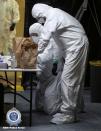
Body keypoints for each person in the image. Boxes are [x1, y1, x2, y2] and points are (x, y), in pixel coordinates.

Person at [31, 3, 89, 124]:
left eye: (37, 17)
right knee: (73, 78)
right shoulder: (56, 15)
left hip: (76, 46)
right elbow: (59, 40)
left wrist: (35, 54)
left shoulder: (53, 15)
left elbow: (45, 38)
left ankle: (68, 114)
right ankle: (74, 109)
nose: (39, 21)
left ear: (40, 12)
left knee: (68, 79)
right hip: (72, 47)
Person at [29, 22, 63, 115]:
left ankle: (63, 105)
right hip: (43, 78)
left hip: (52, 77)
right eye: (31, 35)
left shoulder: (51, 40)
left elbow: (48, 56)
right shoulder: (35, 43)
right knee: (39, 106)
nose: (33, 37)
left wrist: (34, 59)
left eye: (35, 34)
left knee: (51, 109)